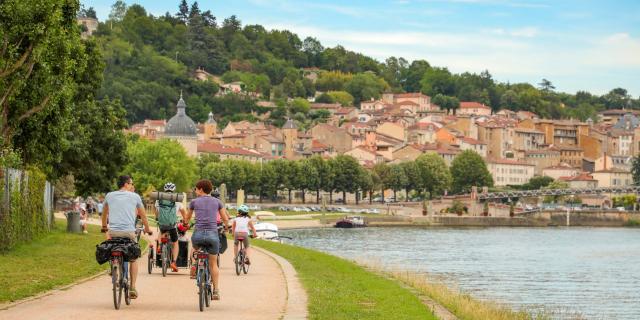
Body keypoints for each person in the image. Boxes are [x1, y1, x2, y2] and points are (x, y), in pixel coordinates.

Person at [101, 175, 152, 299]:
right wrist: (147, 229)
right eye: (131, 183)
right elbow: (143, 216)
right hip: (129, 232)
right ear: (126, 184)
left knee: (112, 247)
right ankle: (133, 287)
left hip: (113, 232)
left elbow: (104, 214)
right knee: (133, 258)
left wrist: (104, 227)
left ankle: (114, 267)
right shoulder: (135, 197)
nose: (132, 185)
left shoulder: (109, 195)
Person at [183, 180, 229, 301]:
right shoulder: (218, 202)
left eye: (196, 189)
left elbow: (187, 217)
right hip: (213, 235)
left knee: (195, 248)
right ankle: (216, 291)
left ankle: (193, 263)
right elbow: (225, 218)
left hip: (198, 235)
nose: (195, 191)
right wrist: (226, 227)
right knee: (213, 263)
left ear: (201, 189)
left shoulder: (194, 202)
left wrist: (185, 223)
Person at [154, 182, 186, 272]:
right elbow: (183, 212)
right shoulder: (176, 199)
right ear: (173, 189)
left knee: (162, 230)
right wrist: (185, 221)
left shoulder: (159, 199)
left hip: (162, 224)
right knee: (175, 242)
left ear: (164, 190)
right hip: (172, 225)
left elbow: (156, 211)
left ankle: (160, 246)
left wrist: (157, 218)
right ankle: (174, 262)